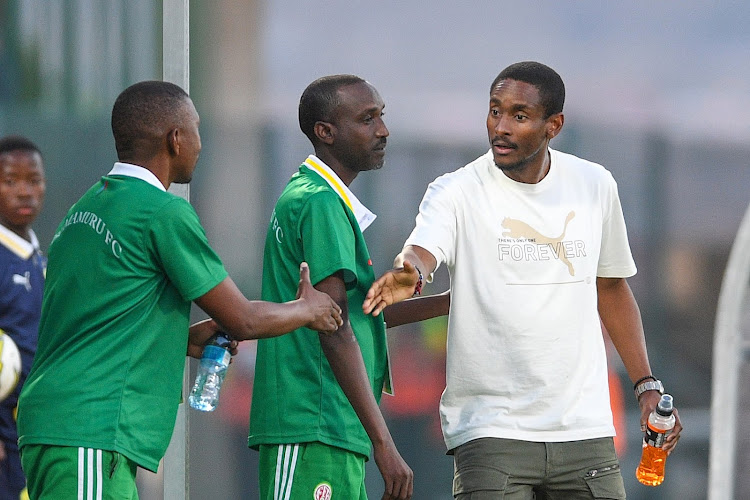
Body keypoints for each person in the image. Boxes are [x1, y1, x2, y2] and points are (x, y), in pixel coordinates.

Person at [363, 61, 683, 499]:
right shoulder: (455, 191)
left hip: (585, 435)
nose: (501, 127)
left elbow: (610, 287)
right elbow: (422, 249)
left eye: (519, 115)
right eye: (495, 111)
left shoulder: (595, 185)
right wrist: (411, 273)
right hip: (492, 436)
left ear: (554, 125)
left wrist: (647, 387)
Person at [16, 80, 343, 500]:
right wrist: (307, 310)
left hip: (57, 426)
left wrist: (182, 340)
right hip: (93, 430)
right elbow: (241, 317)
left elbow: (91, 324)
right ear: (175, 139)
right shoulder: (164, 211)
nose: (200, 144)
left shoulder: (86, 207)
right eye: (197, 130)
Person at [249, 74, 418, 500]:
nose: (383, 130)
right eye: (367, 119)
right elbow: (335, 330)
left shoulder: (318, 197)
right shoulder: (319, 201)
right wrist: (384, 442)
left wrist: (450, 302)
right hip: (314, 421)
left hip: (333, 428)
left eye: (381, 116)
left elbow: (354, 314)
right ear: (325, 132)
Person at [0, 135, 46, 500]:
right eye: (10, 181)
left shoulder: (41, 259)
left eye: (33, 180)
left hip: (33, 427)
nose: (24, 192)